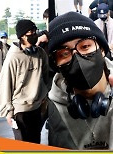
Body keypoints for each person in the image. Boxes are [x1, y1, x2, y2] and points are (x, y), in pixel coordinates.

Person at [48, 11, 113, 149]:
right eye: (64, 53)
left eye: (85, 46)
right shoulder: (51, 109)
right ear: (56, 64)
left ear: (101, 49)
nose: (77, 57)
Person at [0, 19, 49, 143]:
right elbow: (5, 85)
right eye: (29, 33)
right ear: (21, 36)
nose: (34, 35)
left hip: (37, 108)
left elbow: (46, 77)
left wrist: (44, 99)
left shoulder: (40, 53)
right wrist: (8, 112)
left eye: (35, 31)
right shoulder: (13, 57)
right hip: (20, 110)